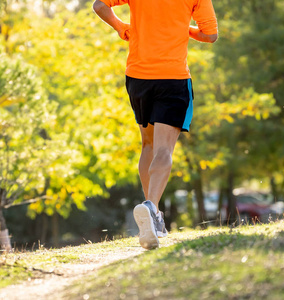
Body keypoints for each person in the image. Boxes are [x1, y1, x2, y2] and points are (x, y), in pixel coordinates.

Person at [93, 0, 218, 249]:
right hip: (173, 77)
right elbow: (210, 34)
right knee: (164, 149)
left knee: (148, 145)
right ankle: (151, 207)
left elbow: (99, 6)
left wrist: (120, 26)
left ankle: (154, 214)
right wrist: (185, 29)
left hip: (138, 77)